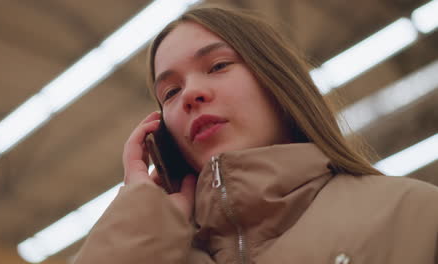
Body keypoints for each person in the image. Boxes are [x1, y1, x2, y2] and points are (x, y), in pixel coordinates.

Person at [74, 5, 438, 264]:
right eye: (170, 92)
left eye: (218, 65)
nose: (189, 94)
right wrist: (139, 223)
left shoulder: (414, 214)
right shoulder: (157, 254)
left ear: (276, 80)